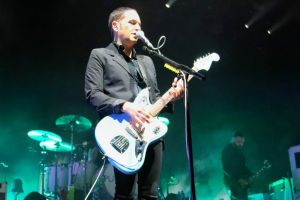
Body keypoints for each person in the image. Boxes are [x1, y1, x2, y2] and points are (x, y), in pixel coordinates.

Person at [84, 6, 184, 200]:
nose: (138, 27)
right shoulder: (100, 55)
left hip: (150, 136)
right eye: (132, 22)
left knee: (150, 195)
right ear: (115, 25)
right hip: (120, 132)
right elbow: (92, 94)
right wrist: (125, 106)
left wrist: (173, 95)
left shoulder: (146, 61)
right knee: (124, 195)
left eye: (140, 24)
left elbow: (154, 101)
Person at [221, 132, 253, 200]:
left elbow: (242, 166)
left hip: (240, 183)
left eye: (242, 142)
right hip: (233, 183)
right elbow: (227, 168)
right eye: (239, 141)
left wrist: (250, 174)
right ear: (233, 139)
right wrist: (238, 179)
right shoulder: (227, 151)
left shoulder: (239, 152)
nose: (241, 144)